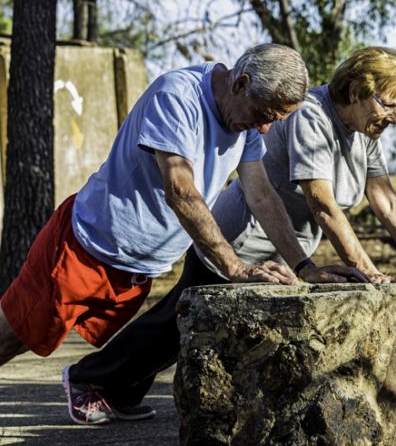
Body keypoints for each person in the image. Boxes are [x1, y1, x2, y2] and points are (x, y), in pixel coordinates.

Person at [63, 46, 396, 425]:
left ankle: (118, 391)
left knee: (178, 327)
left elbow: (389, 203)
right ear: (357, 90)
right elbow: (321, 203)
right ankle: (88, 378)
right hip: (239, 241)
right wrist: (365, 270)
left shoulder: (364, 133)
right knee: (173, 327)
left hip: (284, 251)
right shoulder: (311, 115)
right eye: (388, 105)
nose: (393, 117)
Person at [0, 43, 362, 424]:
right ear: (242, 83)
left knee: (150, 333)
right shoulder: (178, 96)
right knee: (15, 336)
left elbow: (263, 196)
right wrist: (234, 267)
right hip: (86, 248)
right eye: (263, 114)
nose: (265, 127)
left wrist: (304, 266)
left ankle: (109, 391)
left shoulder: (247, 124)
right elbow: (180, 190)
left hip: (134, 267)